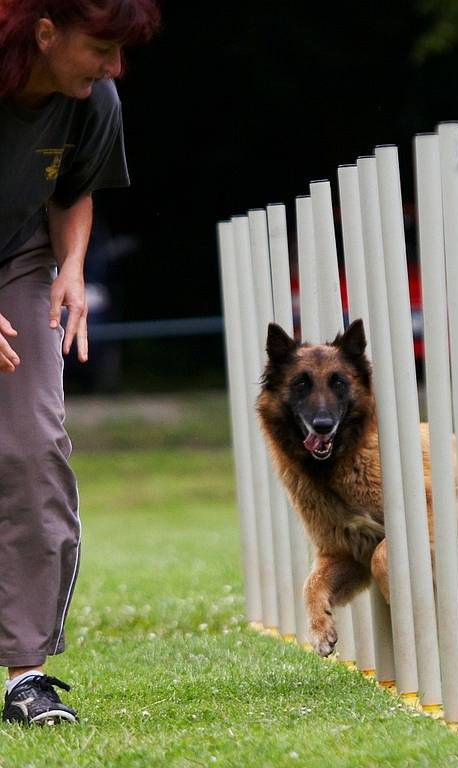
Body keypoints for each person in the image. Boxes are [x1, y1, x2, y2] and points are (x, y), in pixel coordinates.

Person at [0, 0, 160, 725]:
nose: (113, 67)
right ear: (43, 34)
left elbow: (72, 186)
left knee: (34, 447)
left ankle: (24, 676)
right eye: (101, 48)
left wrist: (70, 265)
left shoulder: (94, 100)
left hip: (18, 260)